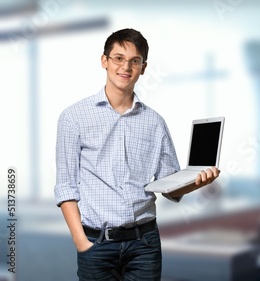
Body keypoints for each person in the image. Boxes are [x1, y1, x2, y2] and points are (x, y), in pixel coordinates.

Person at [54, 28, 220, 281]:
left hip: (145, 244)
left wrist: (196, 183)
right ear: (104, 61)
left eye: (135, 61)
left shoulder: (155, 122)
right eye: (119, 58)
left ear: (143, 67)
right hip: (96, 243)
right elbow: (65, 185)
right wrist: (81, 242)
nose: (126, 67)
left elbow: (169, 186)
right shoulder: (73, 117)